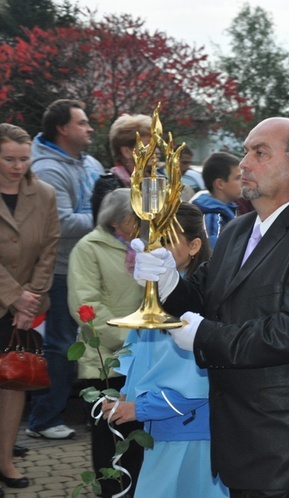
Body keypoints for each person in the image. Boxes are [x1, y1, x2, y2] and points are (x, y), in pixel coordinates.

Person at [132, 117, 289, 497]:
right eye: (246, 151)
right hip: (238, 430)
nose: (244, 164)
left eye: (260, 152)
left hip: (284, 436)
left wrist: (205, 335)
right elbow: (204, 298)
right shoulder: (238, 228)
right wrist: (167, 282)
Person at [102, 201, 227, 498]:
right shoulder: (156, 297)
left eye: (167, 241)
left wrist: (137, 408)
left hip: (190, 431)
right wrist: (124, 396)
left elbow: (195, 384)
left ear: (195, 245)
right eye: (151, 241)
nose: (155, 250)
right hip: (165, 429)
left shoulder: (194, 304)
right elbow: (143, 357)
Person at [27, 99, 105, 441]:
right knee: (59, 345)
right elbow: (61, 221)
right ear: (62, 128)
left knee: (92, 338)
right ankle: (44, 419)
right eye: (83, 123)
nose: (90, 128)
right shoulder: (46, 169)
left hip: (87, 263)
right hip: (59, 269)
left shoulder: (90, 162)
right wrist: (106, 218)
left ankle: (92, 409)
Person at [67, 188, 144, 497]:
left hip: (143, 356)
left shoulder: (144, 245)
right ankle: (112, 492)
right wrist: (131, 340)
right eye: (134, 216)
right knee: (109, 440)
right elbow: (86, 306)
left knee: (137, 436)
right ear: (118, 219)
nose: (140, 221)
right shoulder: (88, 248)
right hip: (106, 359)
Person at [0, 124, 59, 494]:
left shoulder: (45, 194)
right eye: (8, 159)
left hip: (27, 309)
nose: (17, 166)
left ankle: (4, 459)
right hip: (11, 299)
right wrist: (14, 295)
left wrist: (30, 298)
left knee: (14, 383)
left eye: (24, 159)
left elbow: (49, 248)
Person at [191, 151, 242, 249]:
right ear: (220, 184)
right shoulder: (213, 218)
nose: (243, 181)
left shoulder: (228, 210)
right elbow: (214, 256)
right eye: (237, 178)